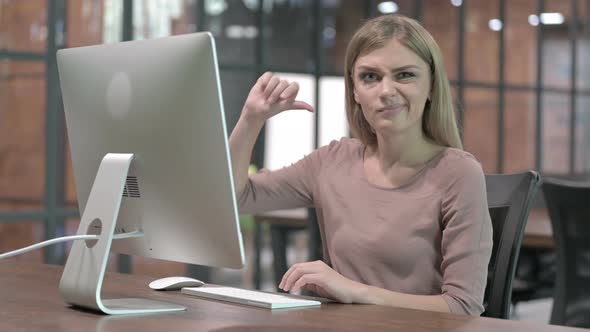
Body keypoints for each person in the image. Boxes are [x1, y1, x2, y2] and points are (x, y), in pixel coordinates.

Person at [229, 14, 493, 316]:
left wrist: (354, 291)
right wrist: (250, 120)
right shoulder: (331, 161)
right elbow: (236, 198)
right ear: (354, 90)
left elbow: (462, 307)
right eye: (370, 77)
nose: (386, 91)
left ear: (431, 85)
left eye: (405, 75)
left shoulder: (459, 173)